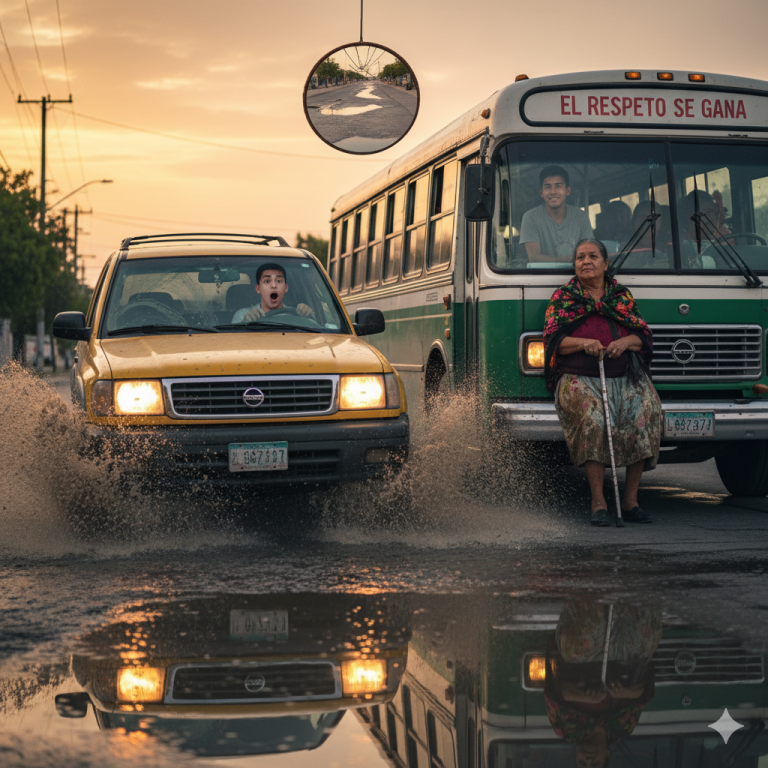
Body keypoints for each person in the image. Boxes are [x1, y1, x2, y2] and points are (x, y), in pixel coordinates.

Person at [543, 239, 661, 526]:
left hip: (623, 375)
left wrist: (624, 342)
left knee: (646, 410)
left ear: (606, 264)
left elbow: (643, 336)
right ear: (574, 266)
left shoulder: (620, 296)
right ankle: (598, 502)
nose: (586, 261)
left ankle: (631, 501)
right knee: (593, 416)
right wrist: (584, 343)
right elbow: (554, 341)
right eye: (580, 257)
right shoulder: (564, 297)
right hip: (579, 377)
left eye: (593, 256)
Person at [545, 600, 661, 767]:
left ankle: (595, 586)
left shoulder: (564, 729)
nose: (589, 759)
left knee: (587, 637)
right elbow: (645, 692)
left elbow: (553, 692)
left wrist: (584, 695)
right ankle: (641, 587)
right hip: (625, 657)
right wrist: (625, 692)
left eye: (582, 763)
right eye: (595, 764)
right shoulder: (623, 728)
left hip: (581, 658)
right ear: (607, 755)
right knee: (645, 640)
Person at [520, 165, 594, 262]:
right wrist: (570, 259)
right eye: (548, 187)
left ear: (568, 191)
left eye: (558, 186)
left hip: (578, 275)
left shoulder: (581, 216)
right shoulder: (530, 217)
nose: (553, 192)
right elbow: (534, 257)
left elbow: (590, 252)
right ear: (541, 193)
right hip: (541, 276)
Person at [233, 263, 314, 323]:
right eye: (267, 281)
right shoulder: (243, 315)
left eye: (279, 281)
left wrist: (310, 316)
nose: (274, 285)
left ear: (286, 288)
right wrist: (243, 325)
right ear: (258, 289)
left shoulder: (297, 316)